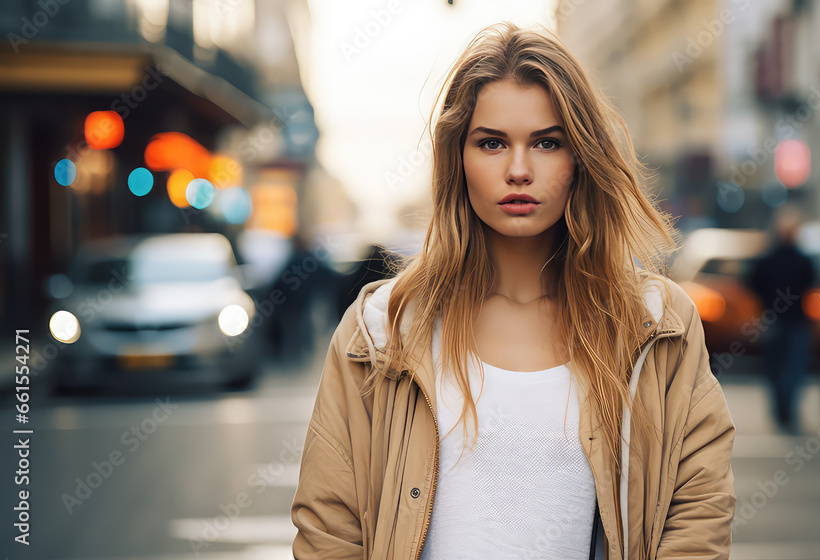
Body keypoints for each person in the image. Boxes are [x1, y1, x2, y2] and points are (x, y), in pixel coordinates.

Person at [291, 22, 736, 560]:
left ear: (580, 160)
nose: (519, 170)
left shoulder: (656, 323)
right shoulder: (380, 332)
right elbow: (329, 532)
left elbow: (698, 517)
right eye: (492, 143)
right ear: (458, 158)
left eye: (547, 142)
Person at [747, 205, 816, 433]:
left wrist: (766, 303)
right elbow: (811, 283)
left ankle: (782, 409)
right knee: (791, 367)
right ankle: (786, 407)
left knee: (777, 368)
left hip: (777, 319)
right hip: (793, 320)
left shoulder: (768, 258)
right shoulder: (801, 259)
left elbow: (752, 283)